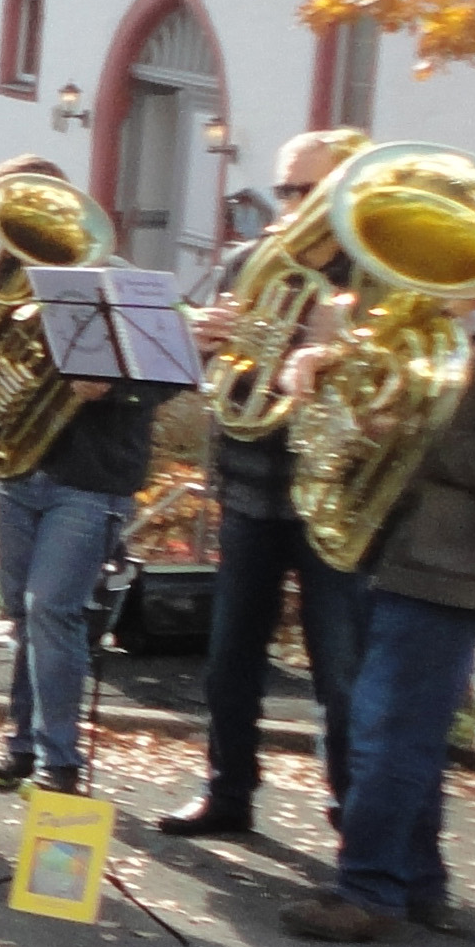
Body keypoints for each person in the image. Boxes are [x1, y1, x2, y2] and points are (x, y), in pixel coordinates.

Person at [282, 266, 475, 942]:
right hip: (399, 549)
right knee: (398, 730)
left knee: (385, 732)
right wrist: (330, 367)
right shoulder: (454, 328)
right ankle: (417, 884)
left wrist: (414, 437)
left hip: (459, 562)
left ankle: (367, 891)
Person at [0, 153, 178, 797]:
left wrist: (112, 385)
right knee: (23, 614)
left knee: (51, 609)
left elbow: (167, 376)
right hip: (19, 469)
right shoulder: (4, 275)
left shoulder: (117, 283)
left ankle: (61, 764)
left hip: (91, 479)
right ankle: (22, 745)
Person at [161, 130, 369, 839]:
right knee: (230, 658)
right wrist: (209, 340)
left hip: (333, 494)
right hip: (252, 483)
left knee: (339, 668)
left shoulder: (371, 276)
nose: (294, 206)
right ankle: (228, 791)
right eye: (286, 190)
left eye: (311, 193)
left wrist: (325, 350)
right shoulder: (251, 261)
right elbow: (218, 380)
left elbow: (382, 386)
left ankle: (353, 817)